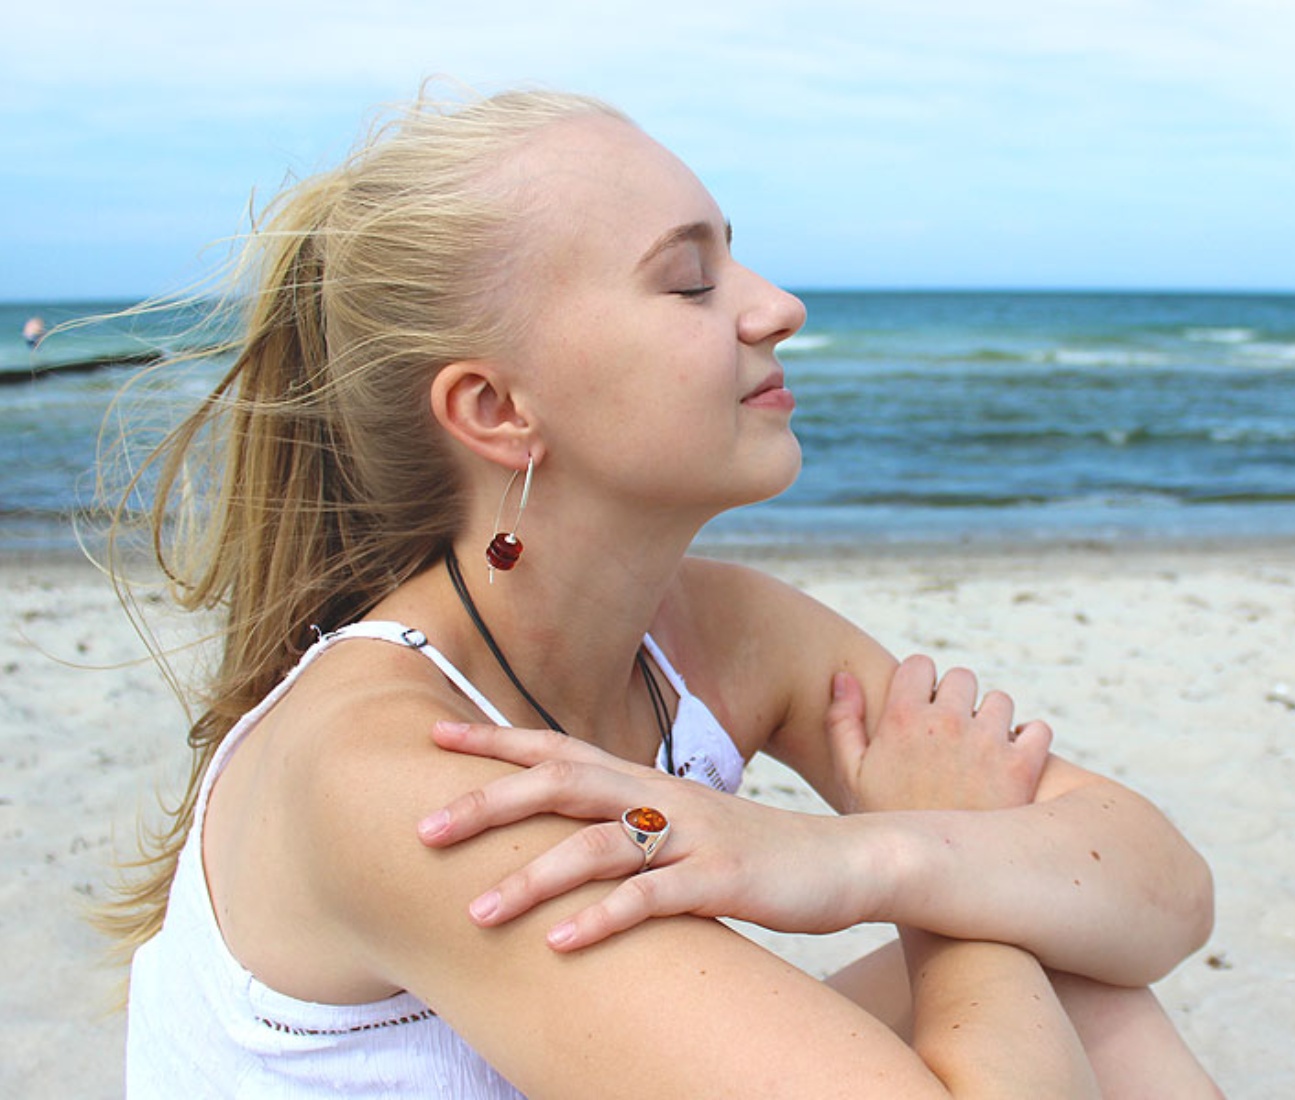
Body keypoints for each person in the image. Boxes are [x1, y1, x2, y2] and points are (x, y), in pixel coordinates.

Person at [104, 87, 1220, 1098]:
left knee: (1089, 984)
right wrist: (951, 874)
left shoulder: (719, 629)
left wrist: (867, 854)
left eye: (736, 259)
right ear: (496, 408)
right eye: (690, 281)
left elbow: (1167, 892)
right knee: (1025, 948)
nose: (776, 304)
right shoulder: (406, 780)